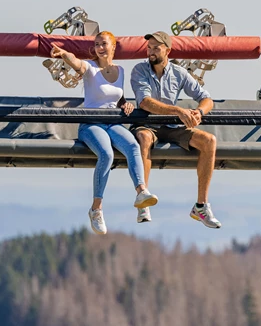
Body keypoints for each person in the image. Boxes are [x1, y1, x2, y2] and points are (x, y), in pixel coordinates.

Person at [50, 32, 158, 235]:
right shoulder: (90, 68)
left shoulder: (120, 71)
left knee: (133, 146)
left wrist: (125, 104)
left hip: (112, 122)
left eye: (104, 44)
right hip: (91, 124)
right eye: (97, 44)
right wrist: (65, 54)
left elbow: (117, 97)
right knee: (107, 154)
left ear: (113, 47)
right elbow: (77, 64)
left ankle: (141, 192)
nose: (100, 47)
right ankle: (96, 209)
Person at [130, 31, 221, 229]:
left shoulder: (179, 73)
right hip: (148, 124)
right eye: (149, 47)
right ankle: (143, 199)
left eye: (156, 48)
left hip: (173, 126)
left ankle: (201, 205)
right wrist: (179, 110)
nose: (151, 52)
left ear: (168, 51)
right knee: (144, 138)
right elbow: (145, 102)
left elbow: (206, 98)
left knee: (209, 141)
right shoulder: (139, 70)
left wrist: (199, 112)